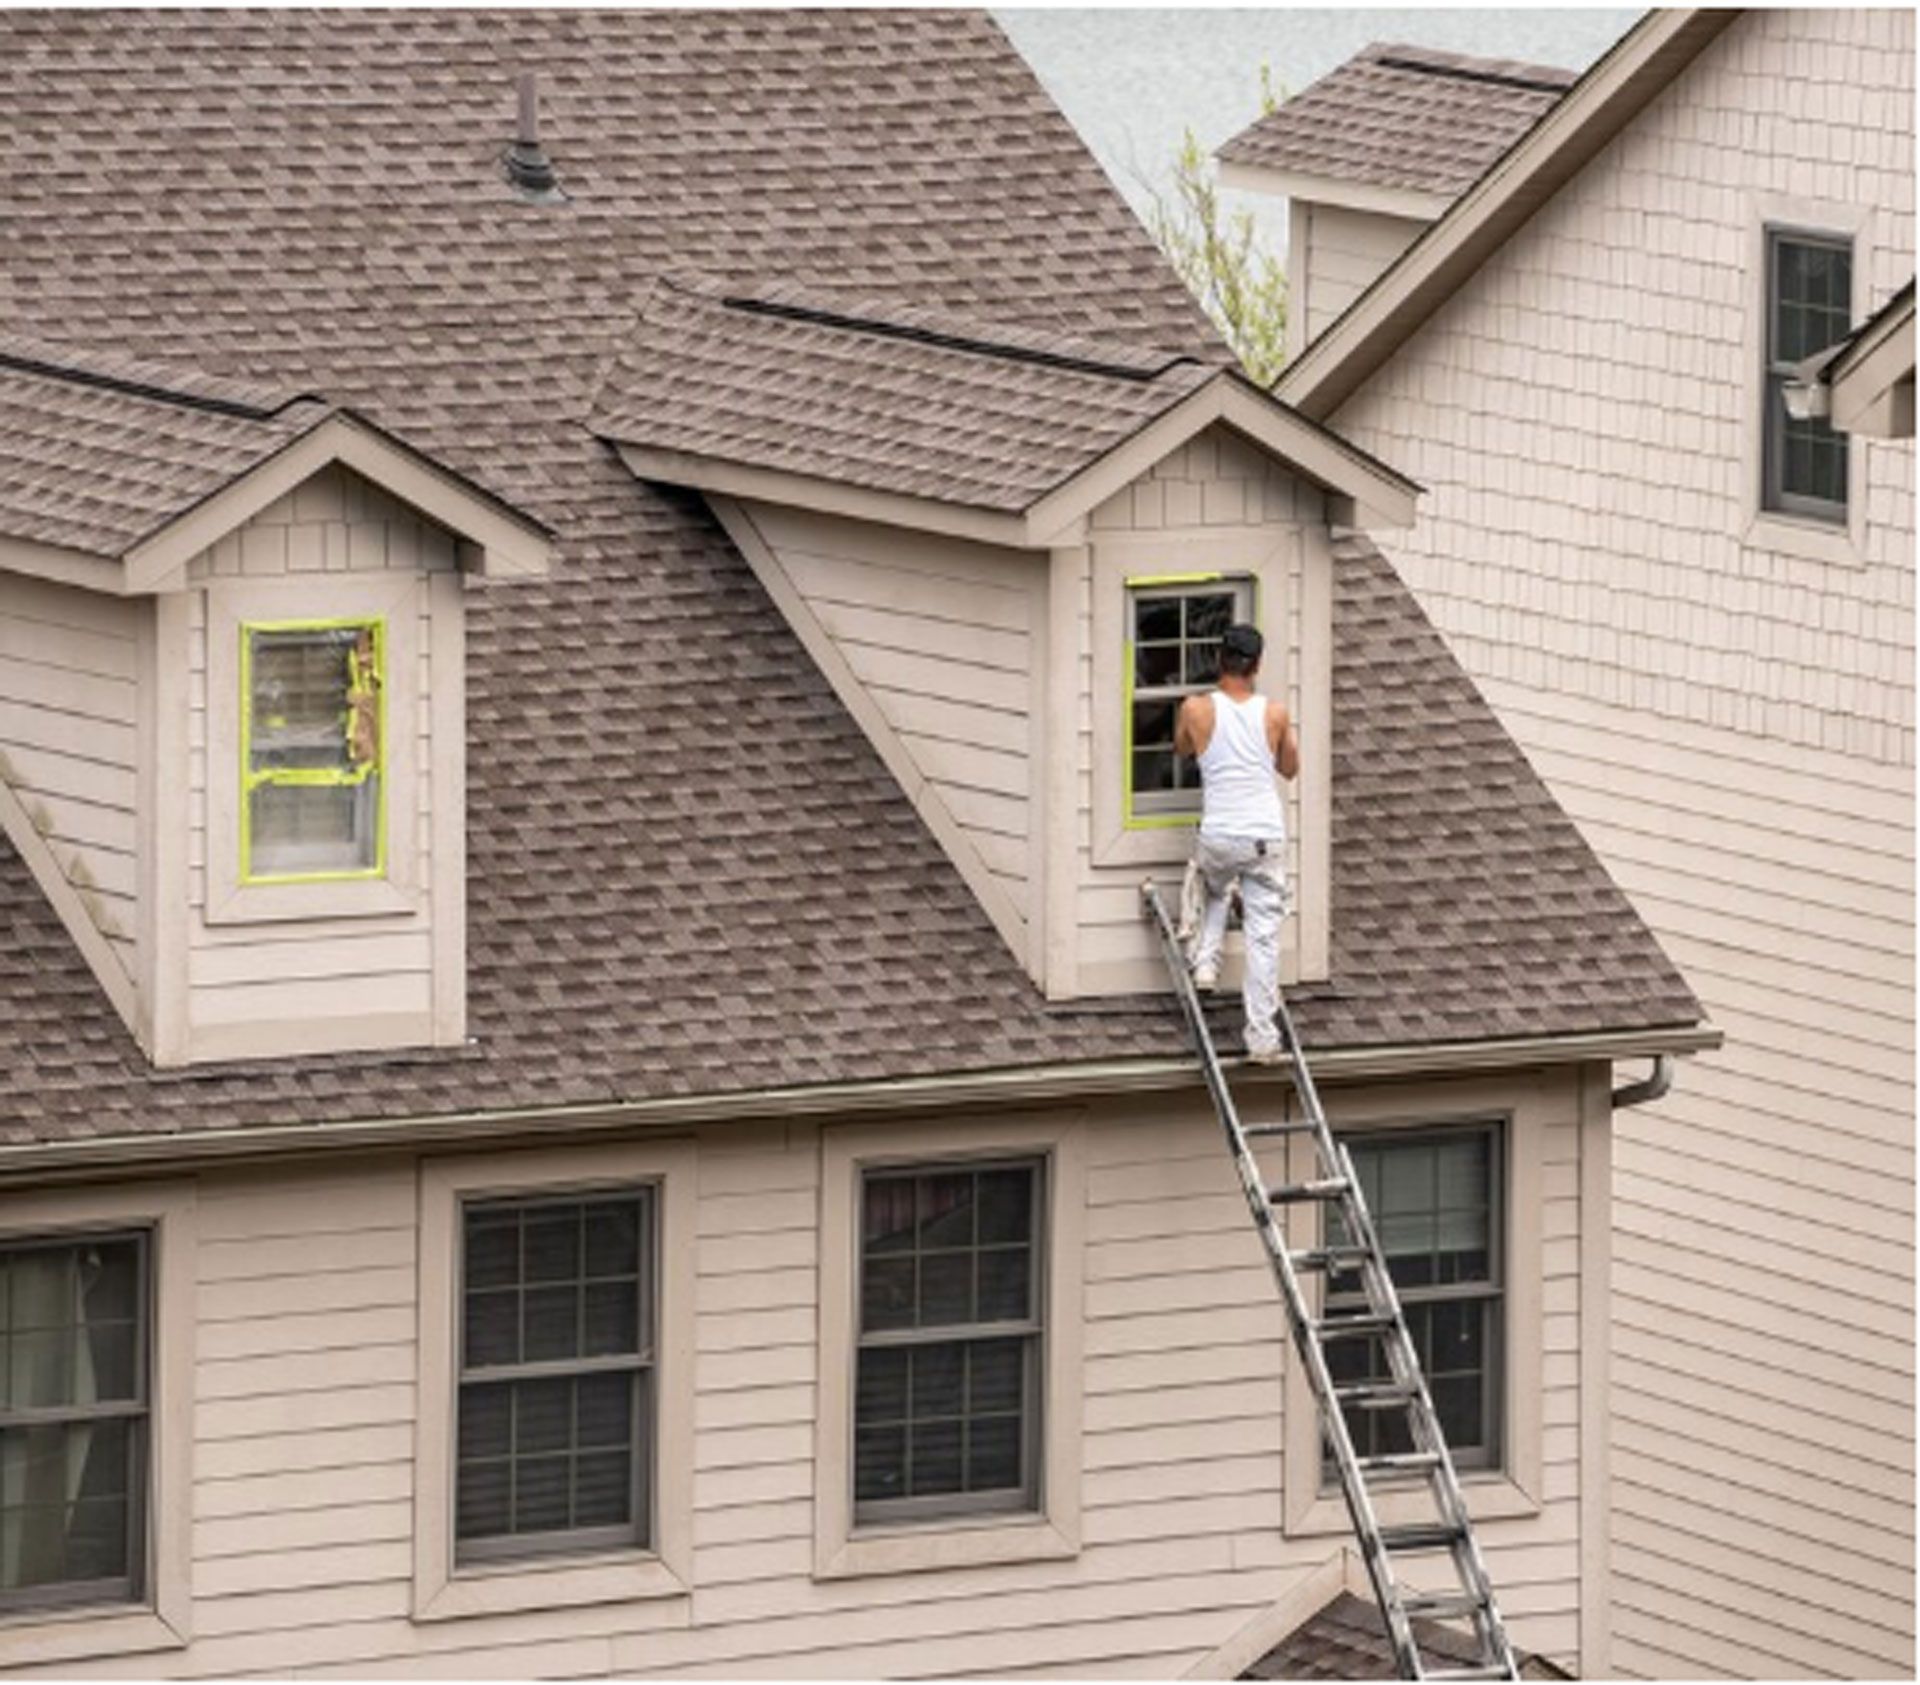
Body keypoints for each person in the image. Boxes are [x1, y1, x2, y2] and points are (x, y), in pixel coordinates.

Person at [1173, 622, 1299, 1064]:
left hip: (1220, 832)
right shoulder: (1275, 714)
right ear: (1257, 665)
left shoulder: (1195, 709)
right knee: (1263, 937)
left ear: (1219, 660)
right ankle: (1261, 1038)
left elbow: (1182, 749)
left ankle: (1206, 962)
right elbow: (1289, 767)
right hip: (1264, 835)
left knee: (1214, 884)